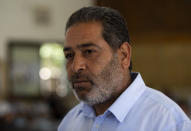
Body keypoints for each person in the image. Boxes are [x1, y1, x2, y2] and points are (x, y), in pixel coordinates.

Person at [58, 6, 191, 131]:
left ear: (124, 55)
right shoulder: (70, 122)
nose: (76, 67)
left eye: (89, 52)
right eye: (69, 55)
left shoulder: (168, 122)